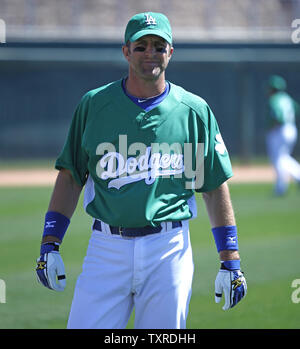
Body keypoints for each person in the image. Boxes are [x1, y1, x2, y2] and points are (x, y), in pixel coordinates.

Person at [36, 12, 247, 329]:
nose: (151, 53)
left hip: (168, 249)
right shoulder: (94, 104)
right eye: (141, 46)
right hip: (105, 247)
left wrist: (230, 259)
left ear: (171, 52)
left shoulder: (193, 111)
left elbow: (214, 187)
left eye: (159, 46)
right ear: (126, 51)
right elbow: (70, 175)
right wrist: (50, 242)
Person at [266, 75, 300, 196]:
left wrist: (272, 129)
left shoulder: (275, 99)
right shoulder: (287, 98)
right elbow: (296, 109)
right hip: (292, 128)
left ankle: (281, 187)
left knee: (279, 159)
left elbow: (278, 116)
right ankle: (297, 175)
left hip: (280, 130)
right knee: (283, 157)